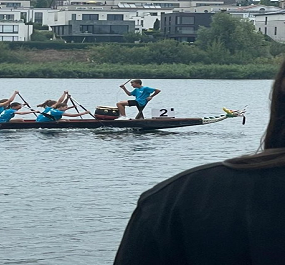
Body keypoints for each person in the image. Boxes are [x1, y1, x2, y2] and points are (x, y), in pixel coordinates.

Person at [113, 61, 285, 264]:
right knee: (129, 106)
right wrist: (125, 89)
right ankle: (131, 119)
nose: (132, 86)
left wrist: (149, 96)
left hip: (143, 104)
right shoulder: (170, 199)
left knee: (125, 107)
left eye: (133, 84)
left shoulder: (173, 198)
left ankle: (124, 119)